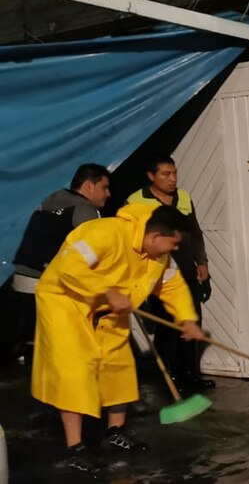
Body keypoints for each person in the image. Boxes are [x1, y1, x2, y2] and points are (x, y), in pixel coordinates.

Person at [32, 204, 204, 473]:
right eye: (174, 243)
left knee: (119, 367)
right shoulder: (106, 233)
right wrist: (107, 291)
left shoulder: (159, 257)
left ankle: (115, 432)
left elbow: (172, 285)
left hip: (110, 311)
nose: (176, 249)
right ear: (155, 237)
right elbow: (69, 266)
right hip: (66, 303)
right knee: (75, 372)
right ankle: (75, 447)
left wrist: (187, 319)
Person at [4, 163, 111, 364]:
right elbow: (95, 254)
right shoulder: (85, 210)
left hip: (20, 281)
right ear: (89, 186)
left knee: (38, 342)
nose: (109, 194)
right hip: (48, 285)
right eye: (104, 188)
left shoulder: (49, 201)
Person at [127, 155, 213, 393]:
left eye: (174, 173)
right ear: (151, 176)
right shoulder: (136, 201)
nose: (172, 179)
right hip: (156, 276)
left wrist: (202, 261)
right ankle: (170, 378)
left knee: (190, 321)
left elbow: (195, 232)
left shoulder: (183, 197)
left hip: (184, 270)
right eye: (165, 174)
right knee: (167, 327)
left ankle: (191, 375)